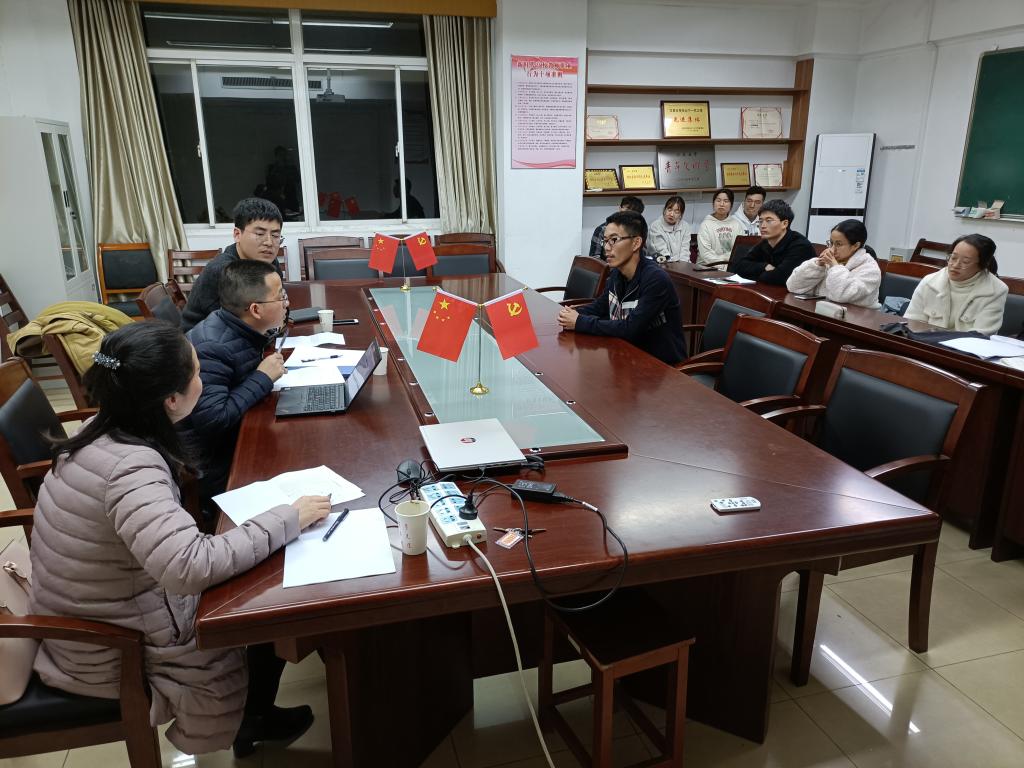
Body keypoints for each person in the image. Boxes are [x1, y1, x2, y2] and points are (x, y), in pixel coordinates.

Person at [28, 322, 331, 756]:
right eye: (197, 373)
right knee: (270, 602)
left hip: (100, 616)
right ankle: (256, 717)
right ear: (171, 399)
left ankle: (257, 713)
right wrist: (289, 517)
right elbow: (188, 567)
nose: (202, 381)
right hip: (115, 650)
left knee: (261, 577)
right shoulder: (130, 468)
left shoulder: (100, 429)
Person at [182, 260, 287, 503]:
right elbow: (214, 420)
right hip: (211, 461)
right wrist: (262, 378)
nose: (286, 302)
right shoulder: (213, 347)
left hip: (232, 439)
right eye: (280, 297)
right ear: (255, 310)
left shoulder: (237, 325)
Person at [558, 210, 685, 365]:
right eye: (605, 241)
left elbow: (630, 328)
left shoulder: (656, 280)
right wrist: (570, 313)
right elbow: (599, 307)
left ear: (636, 243)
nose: (606, 247)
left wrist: (580, 322)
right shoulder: (617, 274)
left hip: (660, 368)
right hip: (626, 357)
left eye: (614, 240)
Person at [181, 198, 286, 333]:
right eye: (260, 234)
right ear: (237, 234)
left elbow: (278, 304)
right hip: (201, 340)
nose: (269, 242)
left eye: (275, 235)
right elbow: (231, 326)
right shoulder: (223, 271)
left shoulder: (268, 261)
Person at [905, 233, 1008, 335]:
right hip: (925, 342)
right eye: (953, 258)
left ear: (983, 265)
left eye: (965, 262)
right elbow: (912, 323)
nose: (955, 265)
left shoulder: (996, 290)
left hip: (966, 345)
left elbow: (981, 334)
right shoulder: (930, 282)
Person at [786, 219, 881, 307]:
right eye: (831, 243)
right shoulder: (828, 261)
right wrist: (817, 265)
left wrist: (835, 267)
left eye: (838, 244)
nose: (832, 249)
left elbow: (841, 295)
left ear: (855, 245)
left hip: (855, 318)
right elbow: (793, 286)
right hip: (819, 313)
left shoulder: (870, 269)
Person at [734, 199, 816, 285]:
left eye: (769, 221)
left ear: (784, 224)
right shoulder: (766, 242)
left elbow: (779, 278)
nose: (762, 226)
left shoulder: (800, 246)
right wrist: (764, 266)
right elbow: (739, 267)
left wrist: (754, 273)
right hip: (769, 289)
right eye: (760, 221)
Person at [696, 188, 744, 268]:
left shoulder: (736, 224)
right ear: (713, 203)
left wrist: (727, 266)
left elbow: (740, 251)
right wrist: (724, 265)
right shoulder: (706, 225)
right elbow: (706, 254)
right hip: (707, 267)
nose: (722, 204)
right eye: (718, 200)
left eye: (726, 201)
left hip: (730, 266)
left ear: (731, 205)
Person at [647, 196, 692, 263]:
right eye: (669, 209)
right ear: (664, 210)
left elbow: (685, 251)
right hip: (661, 263)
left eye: (676, 212)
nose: (671, 214)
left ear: (681, 214)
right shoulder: (655, 226)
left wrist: (682, 265)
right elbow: (662, 253)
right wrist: (675, 264)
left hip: (682, 264)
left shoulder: (685, 226)